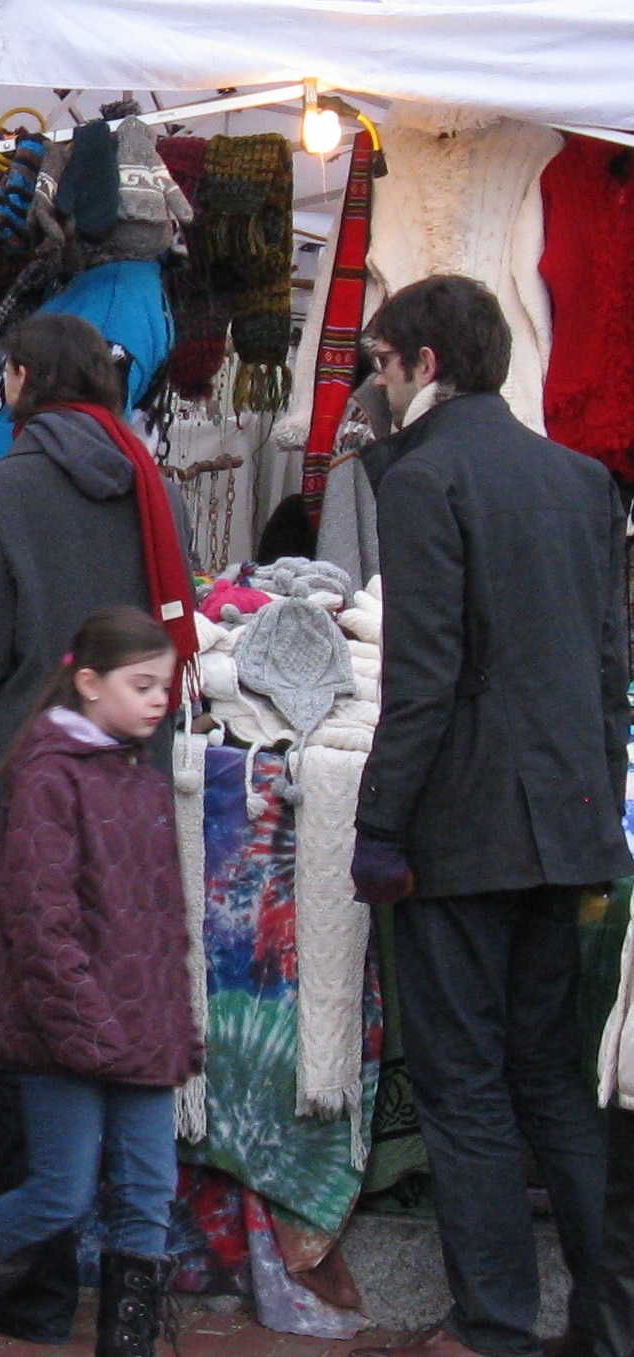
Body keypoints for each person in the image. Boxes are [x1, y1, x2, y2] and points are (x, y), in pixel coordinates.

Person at [346, 276, 630, 1357]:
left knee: (465, 1083)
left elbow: (422, 678)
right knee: (547, 1076)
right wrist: (593, 807)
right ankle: (602, 1322)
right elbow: (607, 671)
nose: (373, 383)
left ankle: (493, 1324)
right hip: (557, 819)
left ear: (423, 363)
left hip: (462, 828)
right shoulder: (575, 481)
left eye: (380, 364)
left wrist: (378, 827)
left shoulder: (428, 482)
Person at [0, 309, 193, 1340]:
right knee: (99, 1045)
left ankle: (11, 1286)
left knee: (1, 1045)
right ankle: (107, 1293)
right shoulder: (151, 496)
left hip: (13, 791)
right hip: (124, 801)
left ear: (20, 379)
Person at [0, 608, 199, 1357]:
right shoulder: (46, 775)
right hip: (63, 1035)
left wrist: (164, 1023)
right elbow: (38, 922)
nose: (158, 699)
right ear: (87, 682)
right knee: (60, 1192)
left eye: (165, 685)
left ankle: (129, 1344)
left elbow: (157, 922)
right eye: (141, 683)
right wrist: (91, 1026)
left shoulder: (138, 776)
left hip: (139, 1031)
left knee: (148, 1195)